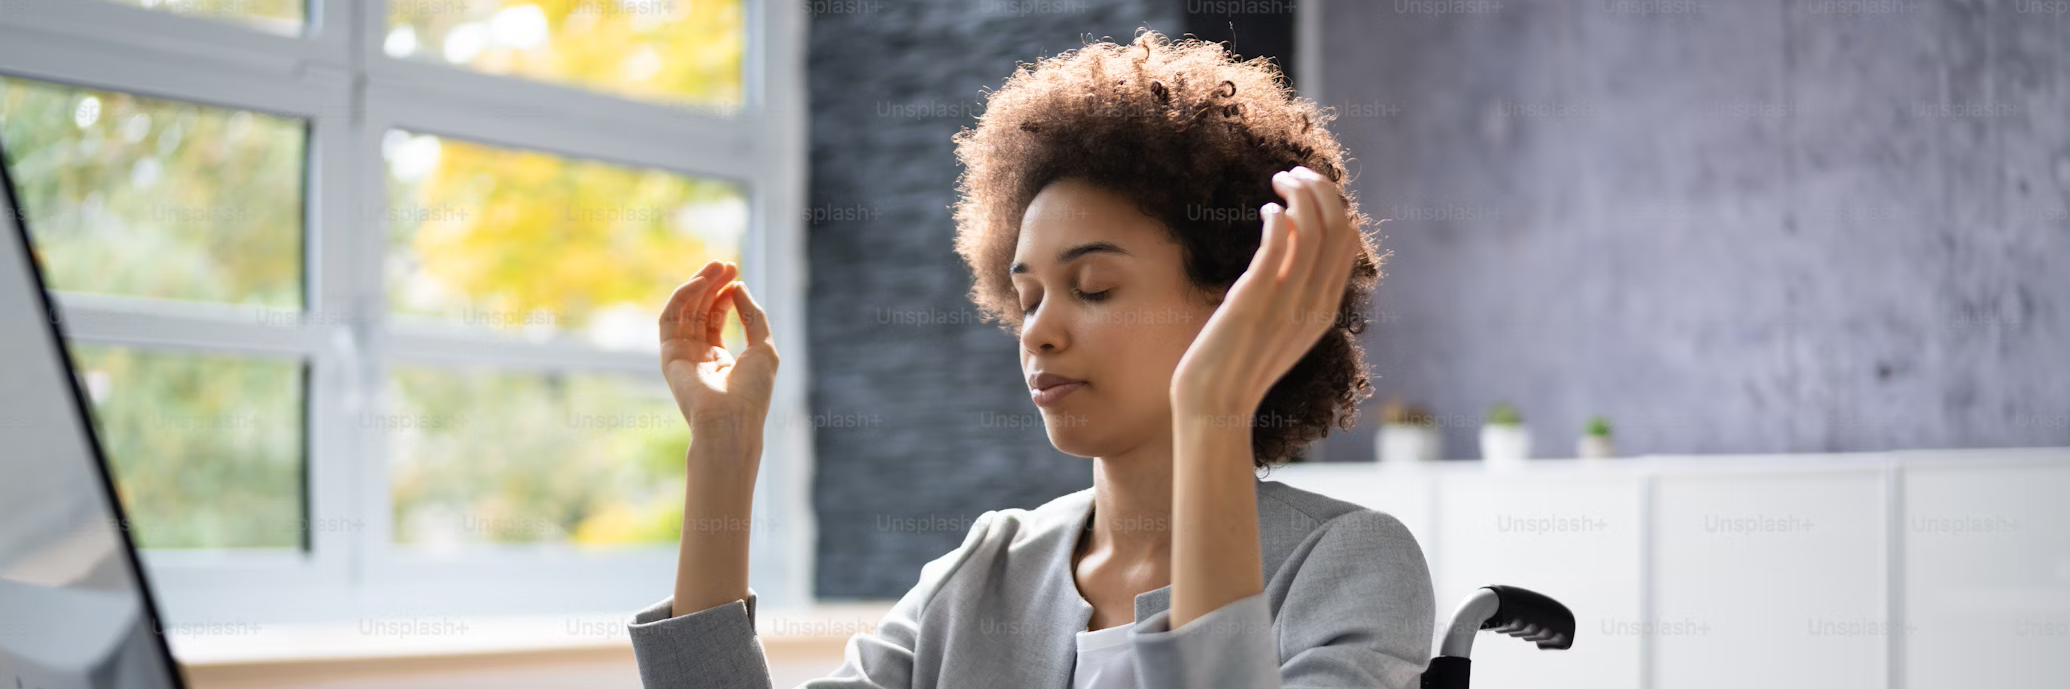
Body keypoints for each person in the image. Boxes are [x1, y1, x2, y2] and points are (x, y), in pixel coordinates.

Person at [626, 29, 1434, 689]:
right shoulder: (985, 569)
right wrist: (724, 454)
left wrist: (1214, 407)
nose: (1038, 333)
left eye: (1091, 286)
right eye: (1029, 295)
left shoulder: (1348, 563)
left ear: (1242, 299)